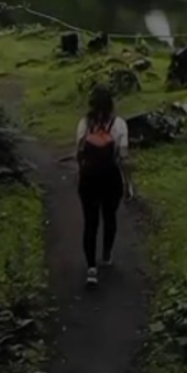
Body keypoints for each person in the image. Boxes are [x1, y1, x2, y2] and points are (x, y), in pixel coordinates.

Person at [75, 84, 131, 287]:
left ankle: (91, 268)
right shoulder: (119, 125)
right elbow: (123, 157)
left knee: (90, 222)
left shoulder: (84, 123)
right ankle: (106, 254)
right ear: (111, 104)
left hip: (89, 179)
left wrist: (81, 175)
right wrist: (128, 183)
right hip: (111, 178)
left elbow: (79, 153)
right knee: (110, 217)